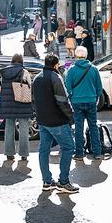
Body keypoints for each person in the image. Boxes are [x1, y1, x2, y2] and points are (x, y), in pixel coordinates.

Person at [31, 53, 76, 193]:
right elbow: (63, 101)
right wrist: (70, 117)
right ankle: (63, 182)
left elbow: (33, 100)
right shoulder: (56, 78)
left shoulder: (37, 78)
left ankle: (47, 181)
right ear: (56, 65)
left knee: (44, 150)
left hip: (43, 120)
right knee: (68, 147)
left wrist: (39, 115)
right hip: (57, 121)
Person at [66, 45, 104, 159]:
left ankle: (79, 153)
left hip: (77, 102)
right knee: (93, 126)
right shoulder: (93, 69)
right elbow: (99, 87)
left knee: (78, 127)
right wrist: (95, 97)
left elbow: (68, 86)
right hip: (91, 100)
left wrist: (72, 97)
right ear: (86, 56)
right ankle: (97, 152)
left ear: (76, 56)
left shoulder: (72, 70)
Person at [0, 53, 32, 163]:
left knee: (9, 128)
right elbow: (29, 86)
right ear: (21, 61)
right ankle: (23, 154)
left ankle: (9, 154)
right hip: (22, 102)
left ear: (12, 61)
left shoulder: (4, 73)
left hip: (8, 104)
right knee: (23, 128)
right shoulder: (24, 71)